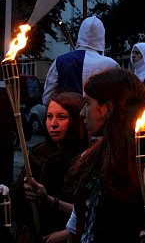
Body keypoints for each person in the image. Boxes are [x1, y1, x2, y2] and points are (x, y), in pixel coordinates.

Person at [65, 68, 145, 242]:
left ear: (108, 108)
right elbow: (77, 224)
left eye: (88, 103)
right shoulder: (90, 156)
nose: (82, 112)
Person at [12, 91, 89, 242]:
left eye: (62, 117)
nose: (53, 124)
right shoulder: (39, 152)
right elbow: (18, 197)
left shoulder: (85, 157)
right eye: (49, 116)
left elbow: (88, 211)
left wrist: (50, 202)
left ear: (77, 120)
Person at [42, 15, 120, 105]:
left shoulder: (60, 61)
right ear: (102, 35)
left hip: (67, 116)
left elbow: (47, 98)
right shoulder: (110, 64)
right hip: (98, 117)